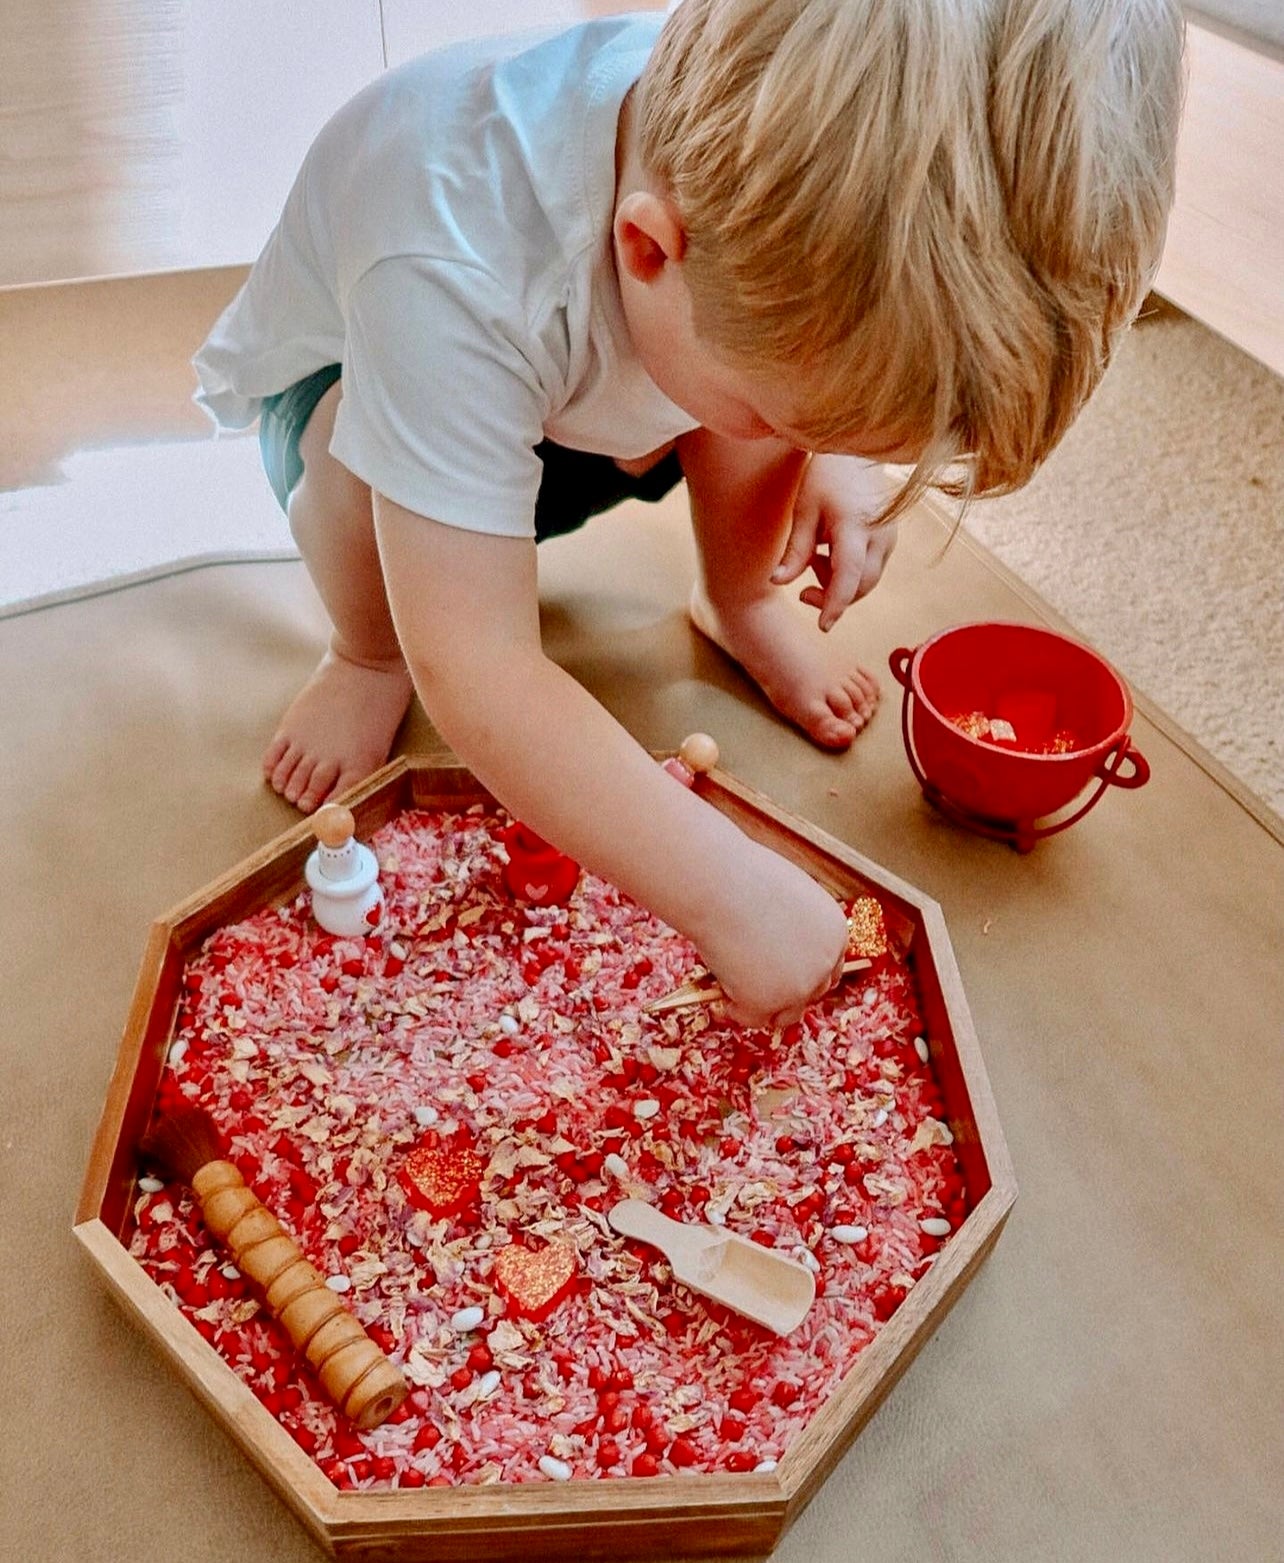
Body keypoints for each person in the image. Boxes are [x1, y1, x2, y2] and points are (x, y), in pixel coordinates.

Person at [193, 0, 1184, 1026]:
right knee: (379, 498)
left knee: (760, 376)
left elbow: (800, 338)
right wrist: (731, 895)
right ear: (646, 247)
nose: (803, 443)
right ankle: (364, 650)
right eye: (792, 421)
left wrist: (833, 448)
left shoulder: (750, 179)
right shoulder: (446, 260)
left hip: (603, 398)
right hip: (355, 412)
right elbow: (481, 669)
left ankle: (738, 597)